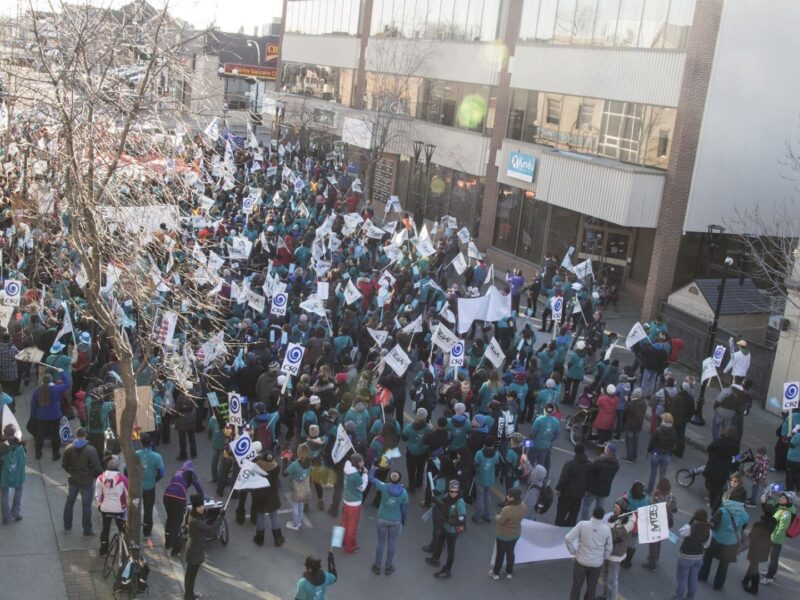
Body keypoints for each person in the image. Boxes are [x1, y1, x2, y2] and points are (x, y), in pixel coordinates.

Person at [698, 487, 749, 590]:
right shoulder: (745, 515)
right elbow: (742, 529)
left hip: (716, 540)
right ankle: (718, 584)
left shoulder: (723, 511)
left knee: (708, 557)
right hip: (731, 544)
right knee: (724, 565)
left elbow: (713, 525)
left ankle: (703, 576)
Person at [565, 506, 613, 600]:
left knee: (577, 585)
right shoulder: (606, 529)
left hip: (581, 560)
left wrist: (573, 551)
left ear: (592, 514)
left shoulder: (582, 524)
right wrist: (604, 557)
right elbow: (609, 547)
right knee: (592, 587)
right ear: (603, 517)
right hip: (596, 563)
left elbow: (568, 538)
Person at [61, 427, 102, 535]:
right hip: (86, 482)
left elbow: (64, 464)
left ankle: (67, 526)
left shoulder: (69, 448)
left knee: (69, 503)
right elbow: (97, 468)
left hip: (72, 480)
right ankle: (87, 530)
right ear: (85, 435)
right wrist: (92, 476)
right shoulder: (91, 450)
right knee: (86, 506)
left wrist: (70, 472)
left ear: (76, 435)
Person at [184, 493, 224, 600]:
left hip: (193, 550)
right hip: (194, 552)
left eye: (202, 506)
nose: (201, 508)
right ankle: (188, 596)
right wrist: (220, 517)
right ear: (195, 507)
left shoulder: (193, 514)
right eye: (199, 507)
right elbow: (210, 529)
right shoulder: (195, 521)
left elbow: (203, 516)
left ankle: (189, 594)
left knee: (189, 575)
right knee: (191, 577)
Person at [368, 468, 408, 575]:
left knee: (380, 543)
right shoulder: (404, 493)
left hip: (382, 518)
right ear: (399, 480)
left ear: (390, 478)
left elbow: (371, 478)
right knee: (392, 544)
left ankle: (377, 566)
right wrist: (402, 522)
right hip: (395, 520)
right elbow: (404, 510)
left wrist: (373, 468)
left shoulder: (384, 487)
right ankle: (388, 566)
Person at [426, 479, 467, 578]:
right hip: (444, 526)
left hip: (452, 531)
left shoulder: (460, 502)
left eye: (455, 491)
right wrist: (436, 501)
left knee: (450, 551)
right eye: (451, 491)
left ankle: (447, 570)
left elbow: (462, 517)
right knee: (440, 543)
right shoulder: (447, 497)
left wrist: (459, 525)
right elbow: (443, 507)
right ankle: (436, 558)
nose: (453, 493)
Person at [163, 460, 203, 556]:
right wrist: (201, 498)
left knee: (170, 519)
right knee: (177, 523)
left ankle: (167, 544)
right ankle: (175, 550)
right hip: (179, 498)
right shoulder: (191, 472)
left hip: (167, 495)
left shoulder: (178, 472)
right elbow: (198, 487)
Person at [761, 491, 798, 585]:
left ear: (789, 501)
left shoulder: (786, 512)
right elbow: (771, 511)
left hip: (776, 538)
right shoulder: (782, 508)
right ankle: (772, 573)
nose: (781, 499)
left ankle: (769, 577)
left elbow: (782, 527)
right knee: (774, 558)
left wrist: (774, 537)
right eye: (781, 497)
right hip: (775, 536)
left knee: (773, 558)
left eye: (784, 498)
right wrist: (765, 502)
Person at [674, 509, 712, 600]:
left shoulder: (690, 527)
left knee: (682, 578)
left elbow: (681, 532)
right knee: (693, 578)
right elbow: (706, 545)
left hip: (686, 556)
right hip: (699, 557)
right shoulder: (709, 530)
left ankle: (679, 597)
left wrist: (690, 523)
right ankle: (690, 597)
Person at [601, 497, 634, 600]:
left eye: (617, 508)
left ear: (623, 509)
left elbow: (613, 534)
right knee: (605, 576)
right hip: (607, 551)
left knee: (613, 579)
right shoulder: (615, 516)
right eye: (614, 507)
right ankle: (605, 595)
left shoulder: (629, 522)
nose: (614, 509)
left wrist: (610, 523)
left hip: (616, 554)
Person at [95, 456, 128, 556]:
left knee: (105, 529)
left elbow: (98, 494)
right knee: (122, 530)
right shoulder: (122, 479)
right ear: (118, 465)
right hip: (119, 509)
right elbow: (129, 494)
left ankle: (103, 550)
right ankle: (124, 550)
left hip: (105, 508)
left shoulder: (101, 478)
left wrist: (100, 505)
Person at [30, 373, 69, 460]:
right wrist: (62, 373)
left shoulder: (37, 390)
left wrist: (33, 415)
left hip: (41, 416)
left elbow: (33, 404)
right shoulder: (55, 389)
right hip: (55, 416)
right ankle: (55, 454)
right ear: (51, 380)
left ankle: (38, 453)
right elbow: (67, 384)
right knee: (55, 434)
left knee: (40, 435)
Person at [249, 451, 284, 547]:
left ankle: (259, 539)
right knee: (274, 516)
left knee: (260, 515)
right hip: (272, 494)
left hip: (259, 495)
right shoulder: (276, 467)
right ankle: (278, 539)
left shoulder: (256, 467)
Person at [642, 477, 677, 570]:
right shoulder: (672, 496)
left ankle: (652, 562)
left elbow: (652, 507)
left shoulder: (657, 495)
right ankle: (656, 558)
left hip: (657, 520)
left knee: (653, 542)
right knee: (659, 540)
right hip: (666, 522)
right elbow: (675, 510)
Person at [492, 487, 526, 580]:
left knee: (500, 554)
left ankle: (496, 573)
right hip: (515, 534)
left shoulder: (508, 509)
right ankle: (509, 572)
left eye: (509, 496)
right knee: (510, 553)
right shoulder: (523, 505)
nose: (507, 497)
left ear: (513, 498)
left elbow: (501, 520)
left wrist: (497, 516)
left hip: (503, 535)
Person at [135, 432, 165, 537]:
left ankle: (134, 529)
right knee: (148, 509)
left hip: (137, 487)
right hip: (150, 487)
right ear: (151, 442)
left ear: (141, 442)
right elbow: (162, 472)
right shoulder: (157, 457)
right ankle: (147, 531)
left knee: (135, 508)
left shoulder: (136, 454)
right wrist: (155, 479)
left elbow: (126, 469)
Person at [704, 426, 740, 510]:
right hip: (725, 470)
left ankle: (713, 504)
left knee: (713, 487)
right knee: (719, 487)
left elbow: (709, 448)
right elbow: (736, 457)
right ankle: (716, 501)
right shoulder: (735, 446)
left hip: (713, 467)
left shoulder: (719, 442)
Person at [555, 443, 592, 527]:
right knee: (573, 516)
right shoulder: (589, 464)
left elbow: (563, 479)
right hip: (579, 495)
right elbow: (590, 479)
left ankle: (557, 530)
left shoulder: (570, 464)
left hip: (567, 494)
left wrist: (558, 489)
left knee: (561, 515)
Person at [340, 453, 368, 553]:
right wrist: (365, 475)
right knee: (352, 526)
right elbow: (362, 487)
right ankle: (350, 546)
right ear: (356, 463)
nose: (363, 463)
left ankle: (342, 540)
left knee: (344, 522)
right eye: (361, 462)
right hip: (354, 504)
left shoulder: (347, 470)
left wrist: (360, 470)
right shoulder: (355, 476)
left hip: (346, 500)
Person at [0, 424, 26, 523]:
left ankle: (6, 518)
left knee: (4, 495)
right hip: (18, 474)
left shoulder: (2, 444)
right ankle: (16, 511)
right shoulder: (18, 443)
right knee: (19, 490)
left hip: (4, 474)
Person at [742, 511, 773, 594]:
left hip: (756, 547)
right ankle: (745, 580)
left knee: (754, 567)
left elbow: (752, 535)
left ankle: (754, 587)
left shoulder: (759, 524)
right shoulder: (773, 523)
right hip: (765, 547)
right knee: (753, 564)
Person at [645, 412, 676, 495]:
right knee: (662, 475)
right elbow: (673, 444)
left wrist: (648, 451)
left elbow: (652, 442)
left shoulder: (658, 430)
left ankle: (649, 490)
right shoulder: (673, 432)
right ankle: (661, 492)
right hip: (666, 455)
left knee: (653, 473)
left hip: (656, 454)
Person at [473, 436, 500, 524]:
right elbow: (496, 463)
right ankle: (489, 515)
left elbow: (475, 465)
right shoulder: (495, 454)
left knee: (479, 498)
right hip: (490, 478)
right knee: (488, 496)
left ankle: (478, 517)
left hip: (480, 478)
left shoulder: (479, 453)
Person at [286, 443, 311, 532]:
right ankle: (299, 522)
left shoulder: (295, 464)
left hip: (296, 487)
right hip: (305, 486)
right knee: (301, 505)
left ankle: (295, 524)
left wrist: (287, 460)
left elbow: (286, 473)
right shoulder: (309, 463)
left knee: (295, 506)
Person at [529, 403, 560, 473]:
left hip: (535, 445)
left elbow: (532, 433)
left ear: (544, 410)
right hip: (545, 446)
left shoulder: (539, 419)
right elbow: (556, 435)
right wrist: (549, 441)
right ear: (552, 411)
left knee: (530, 463)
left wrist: (529, 443)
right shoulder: (556, 422)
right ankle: (538, 481)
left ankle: (524, 479)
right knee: (540, 466)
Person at [622, 388, 646, 463]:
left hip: (630, 425)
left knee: (629, 441)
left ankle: (629, 457)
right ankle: (634, 455)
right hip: (638, 425)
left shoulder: (631, 404)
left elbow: (625, 411)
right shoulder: (644, 403)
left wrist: (627, 401)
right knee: (635, 441)